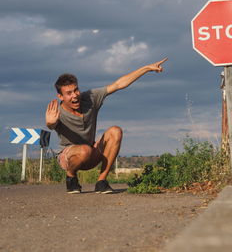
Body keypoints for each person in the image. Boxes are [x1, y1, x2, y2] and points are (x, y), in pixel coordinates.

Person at [45, 58, 168, 194]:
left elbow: (118, 84)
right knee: (84, 150)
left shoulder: (90, 98)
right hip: (69, 157)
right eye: (69, 93)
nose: (75, 95)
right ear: (60, 96)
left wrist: (146, 68)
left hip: (91, 152)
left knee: (115, 131)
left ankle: (101, 182)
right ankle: (71, 177)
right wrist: (50, 123)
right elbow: (52, 125)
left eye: (76, 90)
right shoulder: (58, 112)